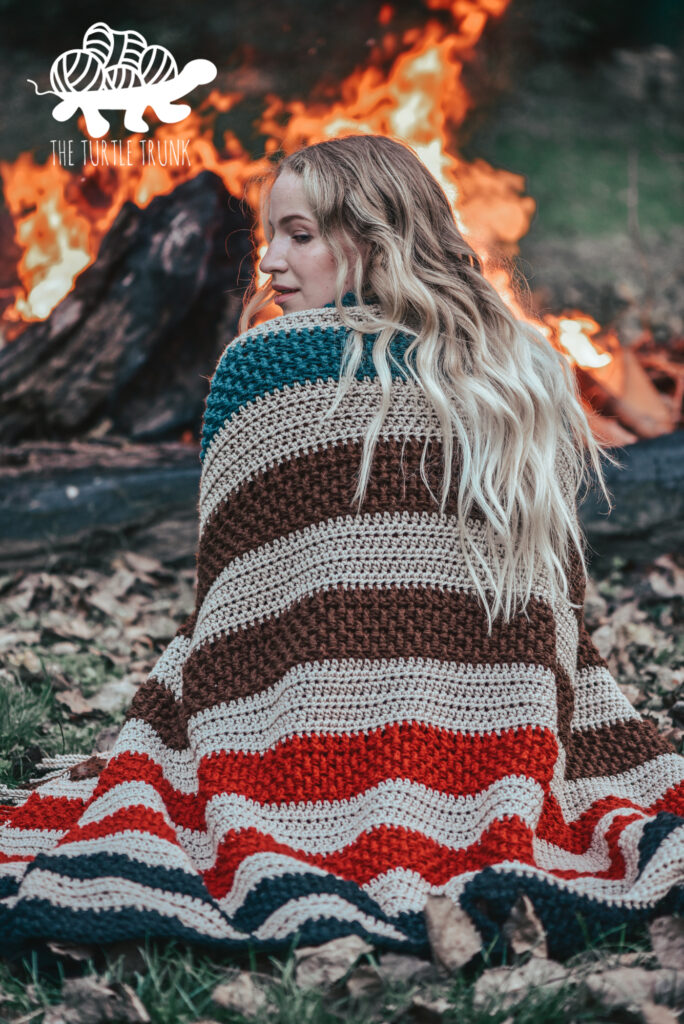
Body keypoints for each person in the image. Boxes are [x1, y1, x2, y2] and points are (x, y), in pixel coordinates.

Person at [1, 134, 682, 962]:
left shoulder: (262, 364)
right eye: (270, 238)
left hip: (296, 716)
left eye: (300, 234)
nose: (273, 265)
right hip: (512, 716)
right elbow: (560, 598)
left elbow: (225, 605)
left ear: (373, 235)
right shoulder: (524, 367)